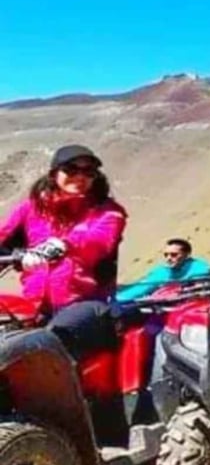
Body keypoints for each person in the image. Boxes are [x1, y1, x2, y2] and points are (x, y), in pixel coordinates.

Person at [0, 145, 128, 357]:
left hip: (86, 303)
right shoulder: (31, 209)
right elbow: (4, 238)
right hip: (35, 304)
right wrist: (16, 257)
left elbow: (99, 242)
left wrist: (63, 244)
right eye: (71, 170)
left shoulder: (108, 212)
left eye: (88, 172)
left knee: (47, 347)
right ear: (54, 174)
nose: (80, 177)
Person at [117, 237, 210, 301]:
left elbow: (199, 287)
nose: (168, 258)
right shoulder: (161, 271)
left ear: (187, 254)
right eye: (166, 255)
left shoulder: (199, 267)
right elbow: (142, 287)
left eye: (174, 255)